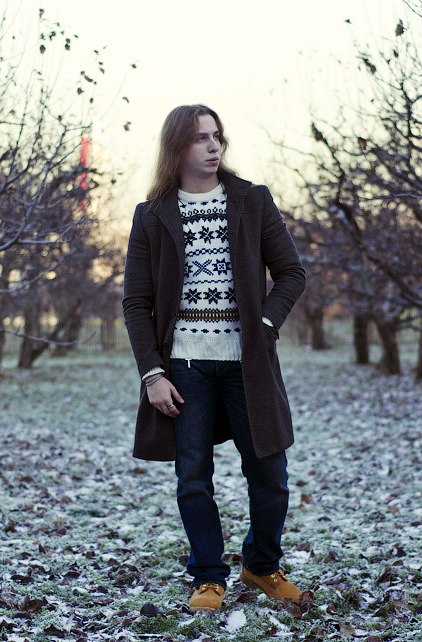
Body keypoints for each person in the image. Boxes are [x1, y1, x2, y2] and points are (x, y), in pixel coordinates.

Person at [122, 104, 306, 613]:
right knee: (193, 478)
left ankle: (262, 565)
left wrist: (264, 325)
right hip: (184, 365)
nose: (213, 146)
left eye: (217, 136)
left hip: (248, 364)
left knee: (270, 475)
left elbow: (291, 273)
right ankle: (208, 576)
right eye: (200, 138)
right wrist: (153, 374)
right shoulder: (151, 214)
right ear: (176, 147)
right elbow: (136, 302)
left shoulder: (251, 200)